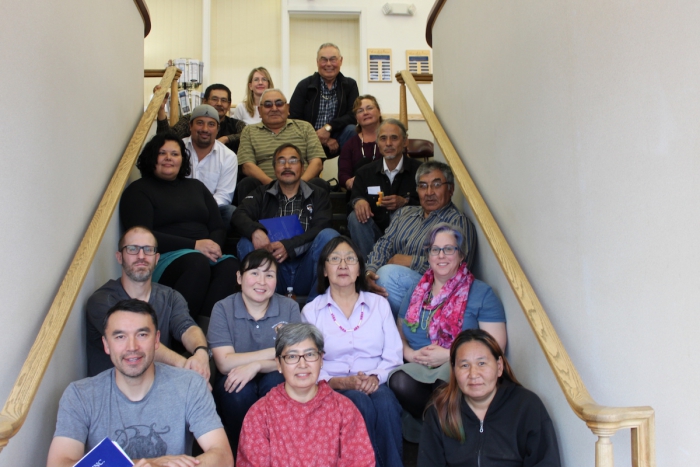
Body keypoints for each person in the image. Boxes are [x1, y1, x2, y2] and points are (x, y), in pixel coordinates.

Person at [47, 299, 233, 467]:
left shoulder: (190, 385)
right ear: (106, 344)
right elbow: (59, 463)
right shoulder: (80, 395)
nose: (132, 347)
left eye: (142, 335)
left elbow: (223, 457)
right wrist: (150, 465)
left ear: (156, 340)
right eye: (120, 337)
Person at [388, 223, 507, 441]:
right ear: (429, 255)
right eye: (435, 249)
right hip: (417, 367)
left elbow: (495, 345)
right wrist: (410, 354)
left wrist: (450, 353)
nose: (441, 255)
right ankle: (438, 427)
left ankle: (439, 434)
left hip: (456, 367)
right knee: (398, 380)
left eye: (449, 249)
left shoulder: (481, 293)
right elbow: (398, 332)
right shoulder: (416, 292)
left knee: (448, 379)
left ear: (461, 255)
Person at [302, 236, 404, 467]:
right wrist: (342, 383)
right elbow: (308, 363)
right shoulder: (311, 311)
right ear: (325, 270)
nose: (343, 265)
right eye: (335, 259)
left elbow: (394, 355)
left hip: (376, 381)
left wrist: (375, 377)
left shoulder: (378, 305)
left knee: (387, 404)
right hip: (334, 386)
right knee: (359, 402)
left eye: (350, 259)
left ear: (359, 270)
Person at [120, 132, 239, 323]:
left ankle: (206, 331)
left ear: (182, 159)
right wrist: (194, 245)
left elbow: (217, 225)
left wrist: (213, 247)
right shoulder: (138, 190)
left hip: (202, 253)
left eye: (175, 154)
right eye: (162, 153)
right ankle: (180, 331)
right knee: (196, 262)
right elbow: (141, 237)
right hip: (165, 256)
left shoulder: (196, 187)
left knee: (229, 265)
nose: (169, 158)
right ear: (152, 157)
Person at [237, 323, 375, 466]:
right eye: (292, 356)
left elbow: (360, 461)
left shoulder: (344, 409)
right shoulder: (260, 414)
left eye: (310, 354)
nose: (302, 364)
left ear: (321, 359)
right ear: (279, 364)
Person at [418, 329, 561, 467]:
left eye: (482, 363)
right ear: (454, 370)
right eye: (464, 365)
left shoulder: (527, 406)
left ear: (499, 367)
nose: (473, 374)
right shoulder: (440, 411)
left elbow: (546, 462)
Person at [86, 226, 211, 382]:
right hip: (110, 394)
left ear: (157, 258)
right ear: (119, 257)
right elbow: (139, 345)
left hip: (155, 388)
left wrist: (201, 352)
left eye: (148, 250)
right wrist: (187, 367)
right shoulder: (102, 301)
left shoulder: (170, 296)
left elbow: (187, 327)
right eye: (132, 249)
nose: (141, 256)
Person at [207, 249, 301, 454]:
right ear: (240, 277)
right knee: (237, 390)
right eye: (254, 273)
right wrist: (275, 351)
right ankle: (243, 452)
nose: (262, 281)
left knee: (277, 384)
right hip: (235, 378)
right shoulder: (222, 308)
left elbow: (294, 358)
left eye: (269, 275)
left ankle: (279, 452)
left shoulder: (289, 307)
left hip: (274, 374)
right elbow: (224, 363)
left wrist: (256, 365)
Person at [365, 161, 477, 318]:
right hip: (398, 285)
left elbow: (459, 269)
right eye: (423, 186)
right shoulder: (404, 214)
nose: (429, 192)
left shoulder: (457, 222)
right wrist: (370, 271)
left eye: (436, 185)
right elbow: (384, 245)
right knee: (366, 280)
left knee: (386, 277)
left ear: (451, 189)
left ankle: (409, 331)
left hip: (435, 293)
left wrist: (410, 261)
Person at [232, 143, 339, 302]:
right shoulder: (262, 193)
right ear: (274, 168)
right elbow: (238, 215)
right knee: (245, 241)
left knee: (330, 236)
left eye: (293, 161)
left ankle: (316, 307)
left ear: (302, 167)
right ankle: (261, 304)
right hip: (272, 270)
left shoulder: (318, 194)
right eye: (281, 161)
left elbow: (322, 227)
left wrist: (289, 246)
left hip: (307, 268)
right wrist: (256, 231)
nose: (287, 166)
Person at [236, 88, 329, 203]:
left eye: (279, 104)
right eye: (268, 105)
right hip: (265, 189)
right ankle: (253, 222)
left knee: (319, 184)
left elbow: (317, 163)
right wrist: (274, 186)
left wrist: (297, 185)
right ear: (259, 111)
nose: (274, 109)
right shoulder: (249, 131)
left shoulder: (305, 127)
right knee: (247, 183)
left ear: (288, 108)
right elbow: (247, 166)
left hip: (302, 186)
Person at [349, 118, 422, 259]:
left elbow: (430, 205)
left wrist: (406, 202)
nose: (388, 143)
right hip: (373, 237)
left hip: (406, 239)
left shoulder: (420, 171)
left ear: (405, 141)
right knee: (355, 217)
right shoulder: (364, 172)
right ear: (377, 142)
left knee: (403, 213)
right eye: (383, 138)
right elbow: (353, 198)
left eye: (394, 138)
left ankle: (398, 265)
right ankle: (369, 268)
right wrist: (358, 201)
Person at [290, 43, 359, 156]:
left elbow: (353, 116)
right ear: (317, 62)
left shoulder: (350, 85)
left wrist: (328, 129)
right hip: (308, 138)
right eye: (324, 60)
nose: (328, 64)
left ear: (341, 61)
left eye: (333, 59)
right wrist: (318, 137)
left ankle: (346, 173)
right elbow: (294, 119)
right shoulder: (304, 85)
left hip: (337, 136)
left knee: (352, 130)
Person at [182, 104, 238, 225]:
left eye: (211, 124)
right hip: (178, 208)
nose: (205, 129)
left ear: (218, 128)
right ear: (190, 126)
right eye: (200, 123)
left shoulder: (228, 156)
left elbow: (224, 196)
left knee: (230, 212)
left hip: (210, 210)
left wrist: (201, 209)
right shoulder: (177, 149)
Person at [156, 83, 247, 152]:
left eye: (223, 100)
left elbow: (246, 136)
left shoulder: (236, 124)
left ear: (229, 105)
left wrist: (226, 139)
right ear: (204, 101)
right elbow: (166, 138)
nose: (219, 104)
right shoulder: (191, 120)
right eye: (214, 99)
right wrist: (161, 110)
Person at [338, 94, 384, 190]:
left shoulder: (391, 139)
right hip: (359, 193)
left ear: (379, 112)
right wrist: (349, 182)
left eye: (369, 108)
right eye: (360, 111)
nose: (365, 113)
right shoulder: (350, 144)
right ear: (356, 118)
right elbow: (343, 175)